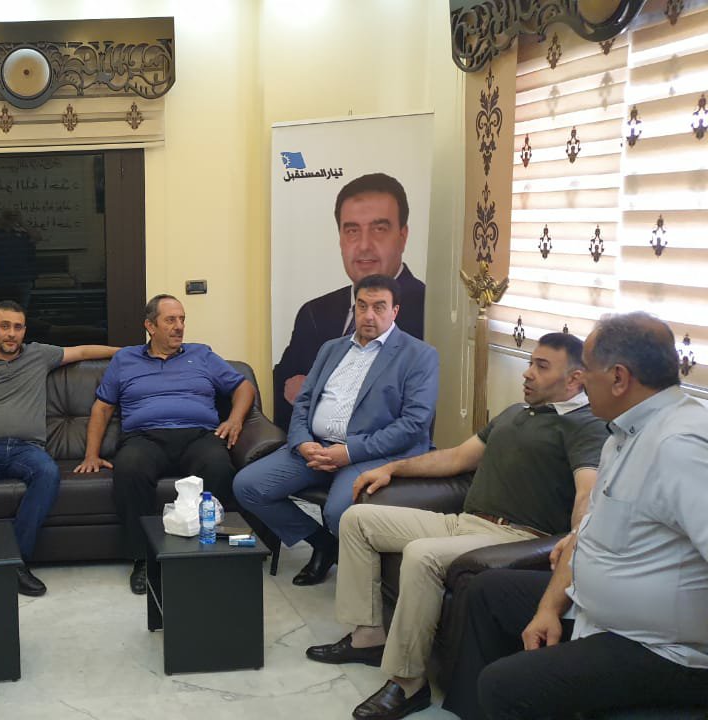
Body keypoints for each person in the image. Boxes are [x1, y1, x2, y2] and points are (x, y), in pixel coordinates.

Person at [304, 332, 608, 720]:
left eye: (541, 366)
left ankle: (407, 683)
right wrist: (392, 468)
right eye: (530, 362)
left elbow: (587, 493)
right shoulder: (516, 412)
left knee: (421, 555)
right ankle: (368, 637)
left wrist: (576, 538)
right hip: (464, 521)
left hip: (514, 536)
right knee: (357, 519)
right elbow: (457, 458)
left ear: (575, 379)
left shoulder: (585, 426)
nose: (527, 373)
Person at [442, 312, 708, 720]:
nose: (580, 381)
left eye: (587, 370)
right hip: (591, 610)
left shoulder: (681, 445)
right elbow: (587, 529)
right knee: (486, 591)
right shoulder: (620, 433)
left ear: (618, 378)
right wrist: (549, 608)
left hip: (658, 647)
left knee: (503, 685)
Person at [235, 274, 438, 587]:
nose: (369, 315)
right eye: (362, 306)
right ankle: (323, 544)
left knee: (337, 512)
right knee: (248, 486)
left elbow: (414, 424)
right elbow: (304, 402)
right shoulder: (332, 348)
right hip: (315, 449)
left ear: (395, 311)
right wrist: (302, 442)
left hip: (369, 455)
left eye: (379, 307)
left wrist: (349, 452)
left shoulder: (419, 355)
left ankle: (361, 574)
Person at [0, 300, 118, 597]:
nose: (11, 333)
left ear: (24, 331)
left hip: (27, 450)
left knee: (48, 472)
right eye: (4, 326)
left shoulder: (39, 355)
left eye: (17, 327)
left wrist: (129, 352)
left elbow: (82, 352)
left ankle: (14, 561)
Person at [75, 294, 257, 594]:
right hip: (144, 438)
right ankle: (143, 560)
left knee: (218, 467)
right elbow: (102, 408)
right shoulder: (125, 359)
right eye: (170, 320)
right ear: (150, 326)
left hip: (198, 436)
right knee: (129, 469)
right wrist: (91, 454)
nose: (179, 326)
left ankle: (209, 554)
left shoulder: (202, 354)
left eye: (182, 319)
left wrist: (235, 419)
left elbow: (243, 386)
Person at [272, 173, 425, 430]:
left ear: (403, 236)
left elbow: (403, 407)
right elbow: (284, 389)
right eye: (352, 231)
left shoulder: (430, 312)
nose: (364, 245)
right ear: (341, 239)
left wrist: (316, 394)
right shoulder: (314, 312)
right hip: (308, 444)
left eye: (379, 229)